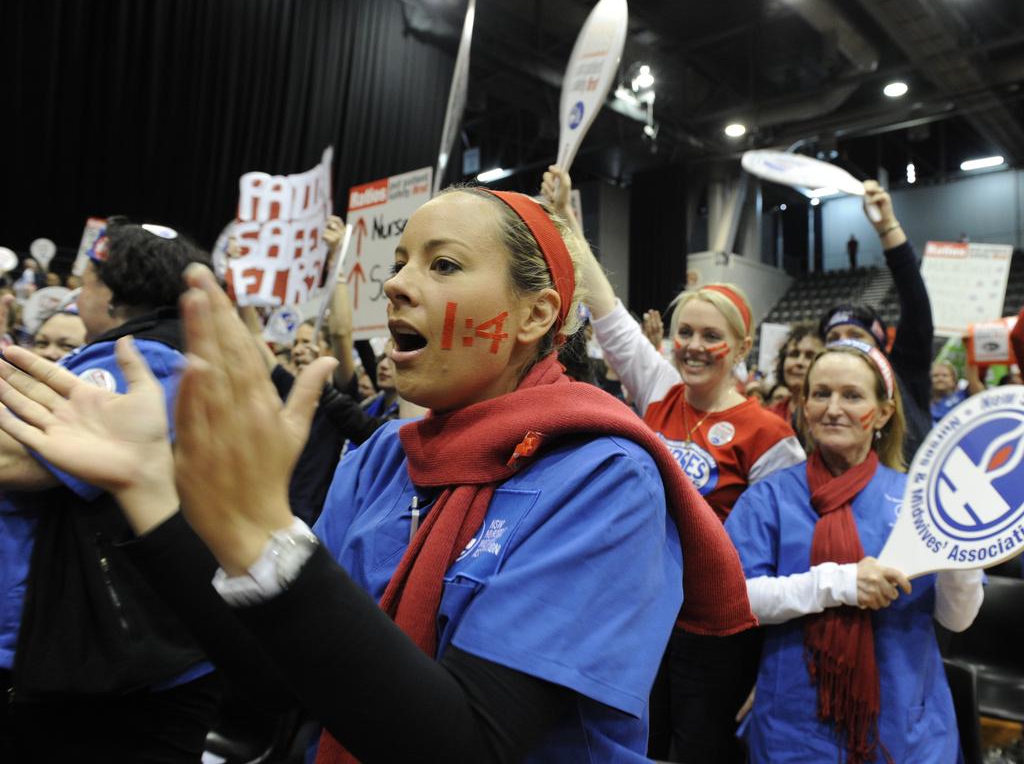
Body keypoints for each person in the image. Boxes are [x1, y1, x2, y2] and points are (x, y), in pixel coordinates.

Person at [0, 187, 755, 762]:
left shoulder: (604, 478)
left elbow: (468, 744)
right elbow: (280, 678)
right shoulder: (386, 455)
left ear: (535, 317)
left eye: (444, 264)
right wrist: (149, 491)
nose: (395, 284)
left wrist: (268, 543)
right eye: (398, 263)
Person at [543, 166, 802, 762]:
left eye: (711, 336)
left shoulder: (772, 436)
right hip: (643, 615)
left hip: (717, 631)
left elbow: (787, 555)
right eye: (684, 331)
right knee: (640, 744)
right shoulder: (660, 387)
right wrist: (563, 219)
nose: (691, 345)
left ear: (739, 348)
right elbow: (604, 307)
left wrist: (776, 668)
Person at [0, 220, 220, 762]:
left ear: (114, 291)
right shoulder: (139, 353)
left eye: (89, 278)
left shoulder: (142, 359)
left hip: (119, 674)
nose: (80, 291)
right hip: (102, 658)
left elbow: (18, 458)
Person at [724, 340, 984, 763]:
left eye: (852, 395)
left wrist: (964, 546)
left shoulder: (921, 501)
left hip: (905, 726)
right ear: (804, 406)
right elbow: (737, 600)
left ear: (883, 412)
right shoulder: (769, 498)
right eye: (821, 394)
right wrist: (841, 583)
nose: (833, 408)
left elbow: (957, 617)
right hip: (797, 722)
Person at [820, 182, 932, 462]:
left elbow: (916, 304)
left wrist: (887, 227)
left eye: (856, 335)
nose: (843, 343)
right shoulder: (817, 403)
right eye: (833, 338)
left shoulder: (903, 373)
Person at [768, 323, 823, 430]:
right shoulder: (769, 415)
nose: (799, 362)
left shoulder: (831, 417)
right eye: (794, 354)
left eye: (809, 356)